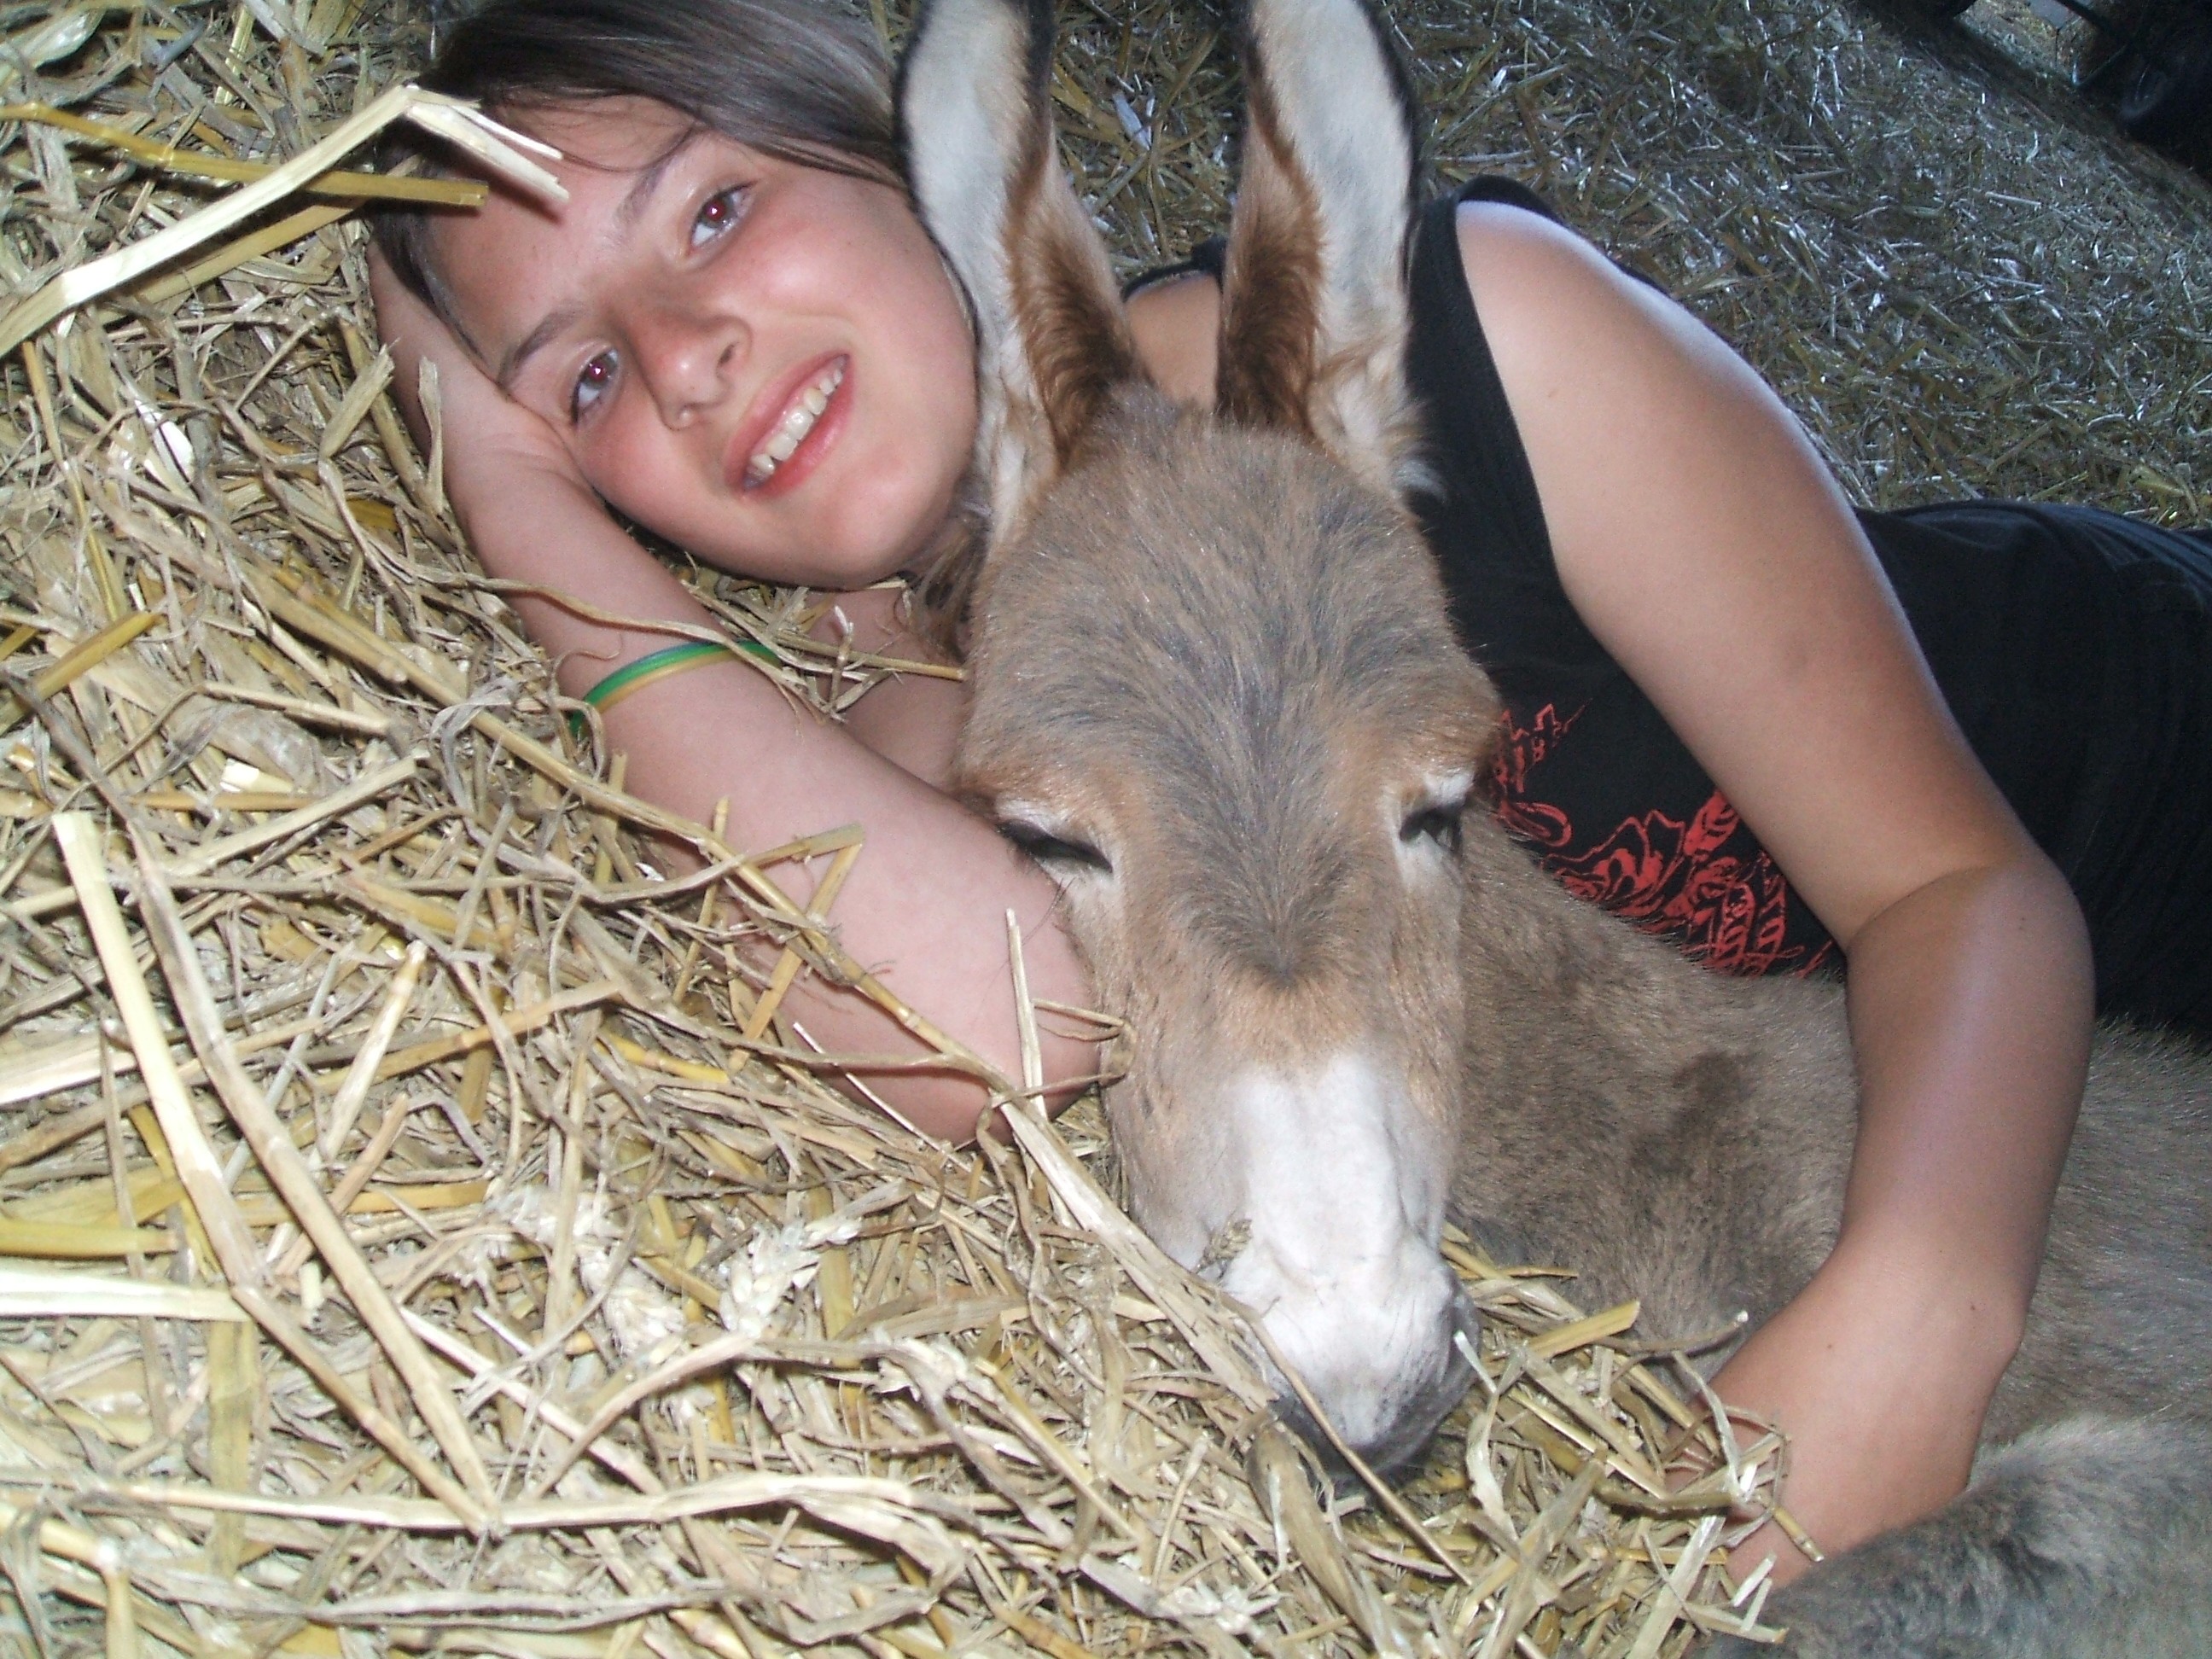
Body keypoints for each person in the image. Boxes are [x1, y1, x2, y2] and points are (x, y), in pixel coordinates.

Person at [366, 0, 2212, 1584]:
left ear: (893, 146)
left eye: (711, 208)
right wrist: (517, 516)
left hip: (2133, 797)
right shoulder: (924, 697)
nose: (687, 362)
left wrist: (1917, 1322)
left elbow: (1956, 889)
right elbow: (980, 1015)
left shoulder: (1461, 344)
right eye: (586, 379)